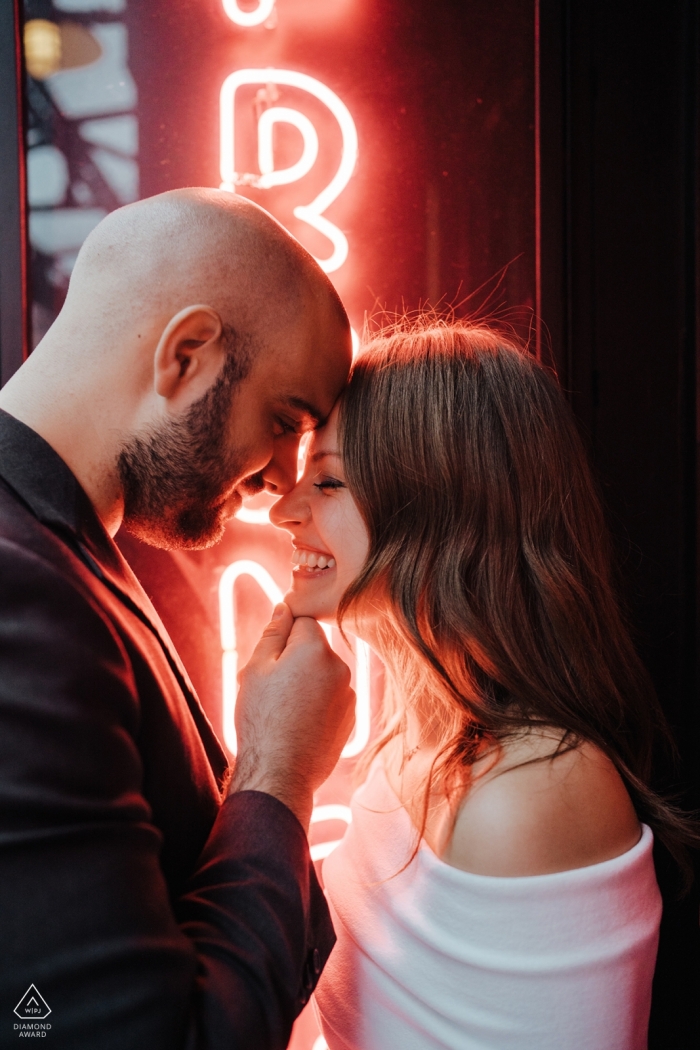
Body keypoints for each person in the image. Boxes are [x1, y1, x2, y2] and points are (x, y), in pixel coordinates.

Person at [270, 320, 697, 1050]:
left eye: (330, 480)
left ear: (443, 506)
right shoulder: (413, 731)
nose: (284, 510)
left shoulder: (533, 791)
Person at [0, 189, 356, 1049]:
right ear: (187, 353)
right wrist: (277, 773)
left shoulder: (64, 547)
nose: (281, 482)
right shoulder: (21, 589)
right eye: (283, 421)